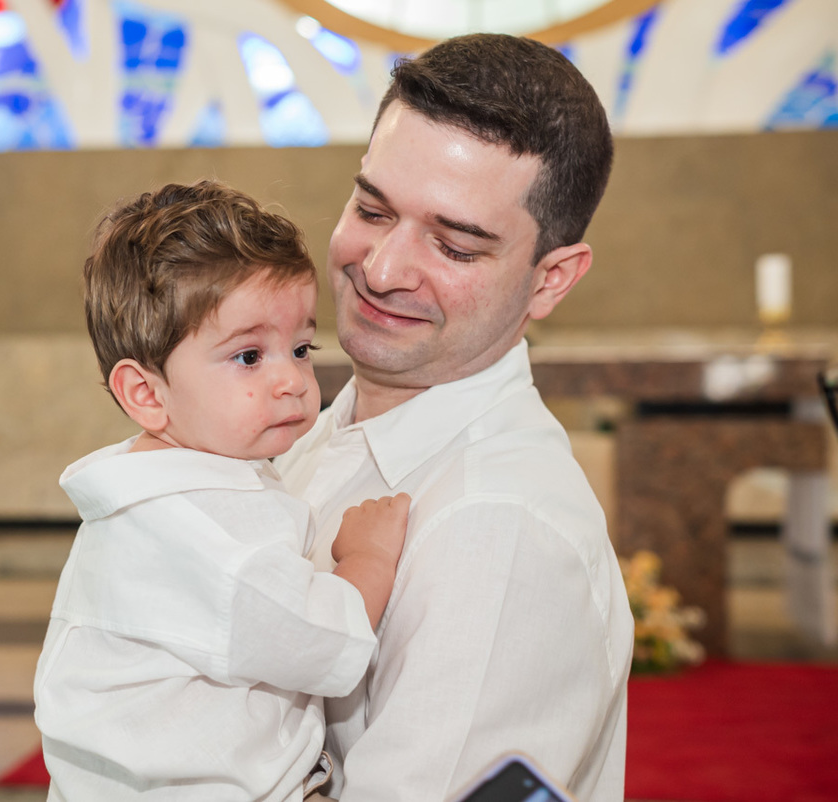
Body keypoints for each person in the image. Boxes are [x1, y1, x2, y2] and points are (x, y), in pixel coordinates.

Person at [275, 33, 635, 801]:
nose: (381, 269)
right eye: (372, 209)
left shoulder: (497, 531)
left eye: (456, 245)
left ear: (551, 281)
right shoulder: (310, 427)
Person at [33, 180, 410, 801]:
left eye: (299, 348)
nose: (291, 380)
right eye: (248, 357)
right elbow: (320, 643)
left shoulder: (165, 493)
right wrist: (366, 559)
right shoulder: (201, 529)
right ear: (146, 394)